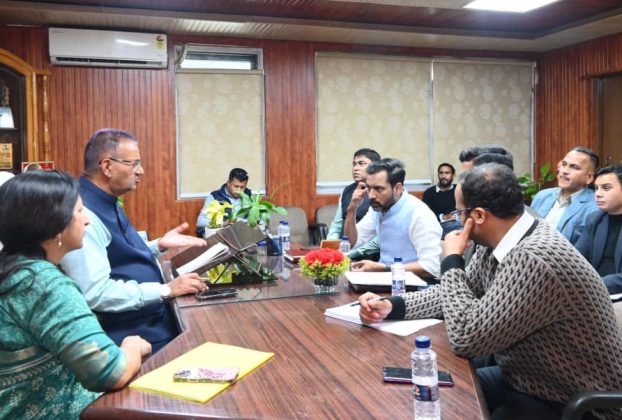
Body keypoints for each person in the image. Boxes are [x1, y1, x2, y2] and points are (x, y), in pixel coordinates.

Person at [357, 163, 622, 419]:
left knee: (444, 404)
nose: (458, 221)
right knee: (423, 391)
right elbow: (456, 293)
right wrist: (393, 305)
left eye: (459, 213)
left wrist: (451, 260)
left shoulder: (534, 257)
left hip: (573, 402)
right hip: (527, 379)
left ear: (479, 216)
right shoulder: (499, 240)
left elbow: (467, 337)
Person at [0, 171, 151, 418]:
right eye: (80, 211)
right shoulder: (45, 285)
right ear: (55, 226)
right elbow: (110, 372)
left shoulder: (12, 268)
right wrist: (132, 346)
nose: (87, 220)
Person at [61, 129, 207, 353]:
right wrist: (165, 290)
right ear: (107, 167)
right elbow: (96, 293)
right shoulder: (83, 213)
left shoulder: (106, 199)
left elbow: (114, 253)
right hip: (132, 330)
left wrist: (158, 245)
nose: (141, 171)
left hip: (150, 315)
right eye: (134, 163)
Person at [343, 158, 442, 278]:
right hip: (384, 279)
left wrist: (383, 268)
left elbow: (431, 268)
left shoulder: (419, 214)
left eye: (379, 189)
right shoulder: (378, 207)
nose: (371, 196)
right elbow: (350, 242)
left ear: (397, 188)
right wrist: (352, 209)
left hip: (411, 284)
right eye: (369, 188)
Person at [531, 146, 599, 244]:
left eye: (574, 167)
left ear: (588, 178)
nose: (564, 171)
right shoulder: (542, 196)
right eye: (564, 164)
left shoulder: (595, 207)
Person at [326, 148, 381, 260]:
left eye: (361, 164)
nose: (355, 168)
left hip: (368, 256)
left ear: (375, 167)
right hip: (344, 251)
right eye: (354, 164)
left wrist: (352, 254)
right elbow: (337, 225)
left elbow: (381, 237)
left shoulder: (381, 193)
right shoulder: (347, 190)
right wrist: (329, 249)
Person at [575, 163, 622, 294]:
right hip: (593, 292)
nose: (598, 194)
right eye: (596, 188)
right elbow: (576, 258)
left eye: (606, 188)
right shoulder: (594, 219)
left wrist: (593, 285)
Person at [196, 167, 252, 237]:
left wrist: (243, 221)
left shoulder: (249, 197)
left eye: (242, 187)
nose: (239, 190)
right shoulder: (215, 197)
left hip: (241, 235)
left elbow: (259, 221)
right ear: (228, 183)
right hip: (220, 235)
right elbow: (200, 222)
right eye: (236, 186)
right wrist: (223, 223)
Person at [422, 163, 461, 238]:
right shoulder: (429, 192)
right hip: (440, 225)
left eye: (447, 173)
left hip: (458, 221)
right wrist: (444, 217)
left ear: (453, 175)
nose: (443, 176)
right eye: (441, 173)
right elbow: (426, 215)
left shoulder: (459, 189)